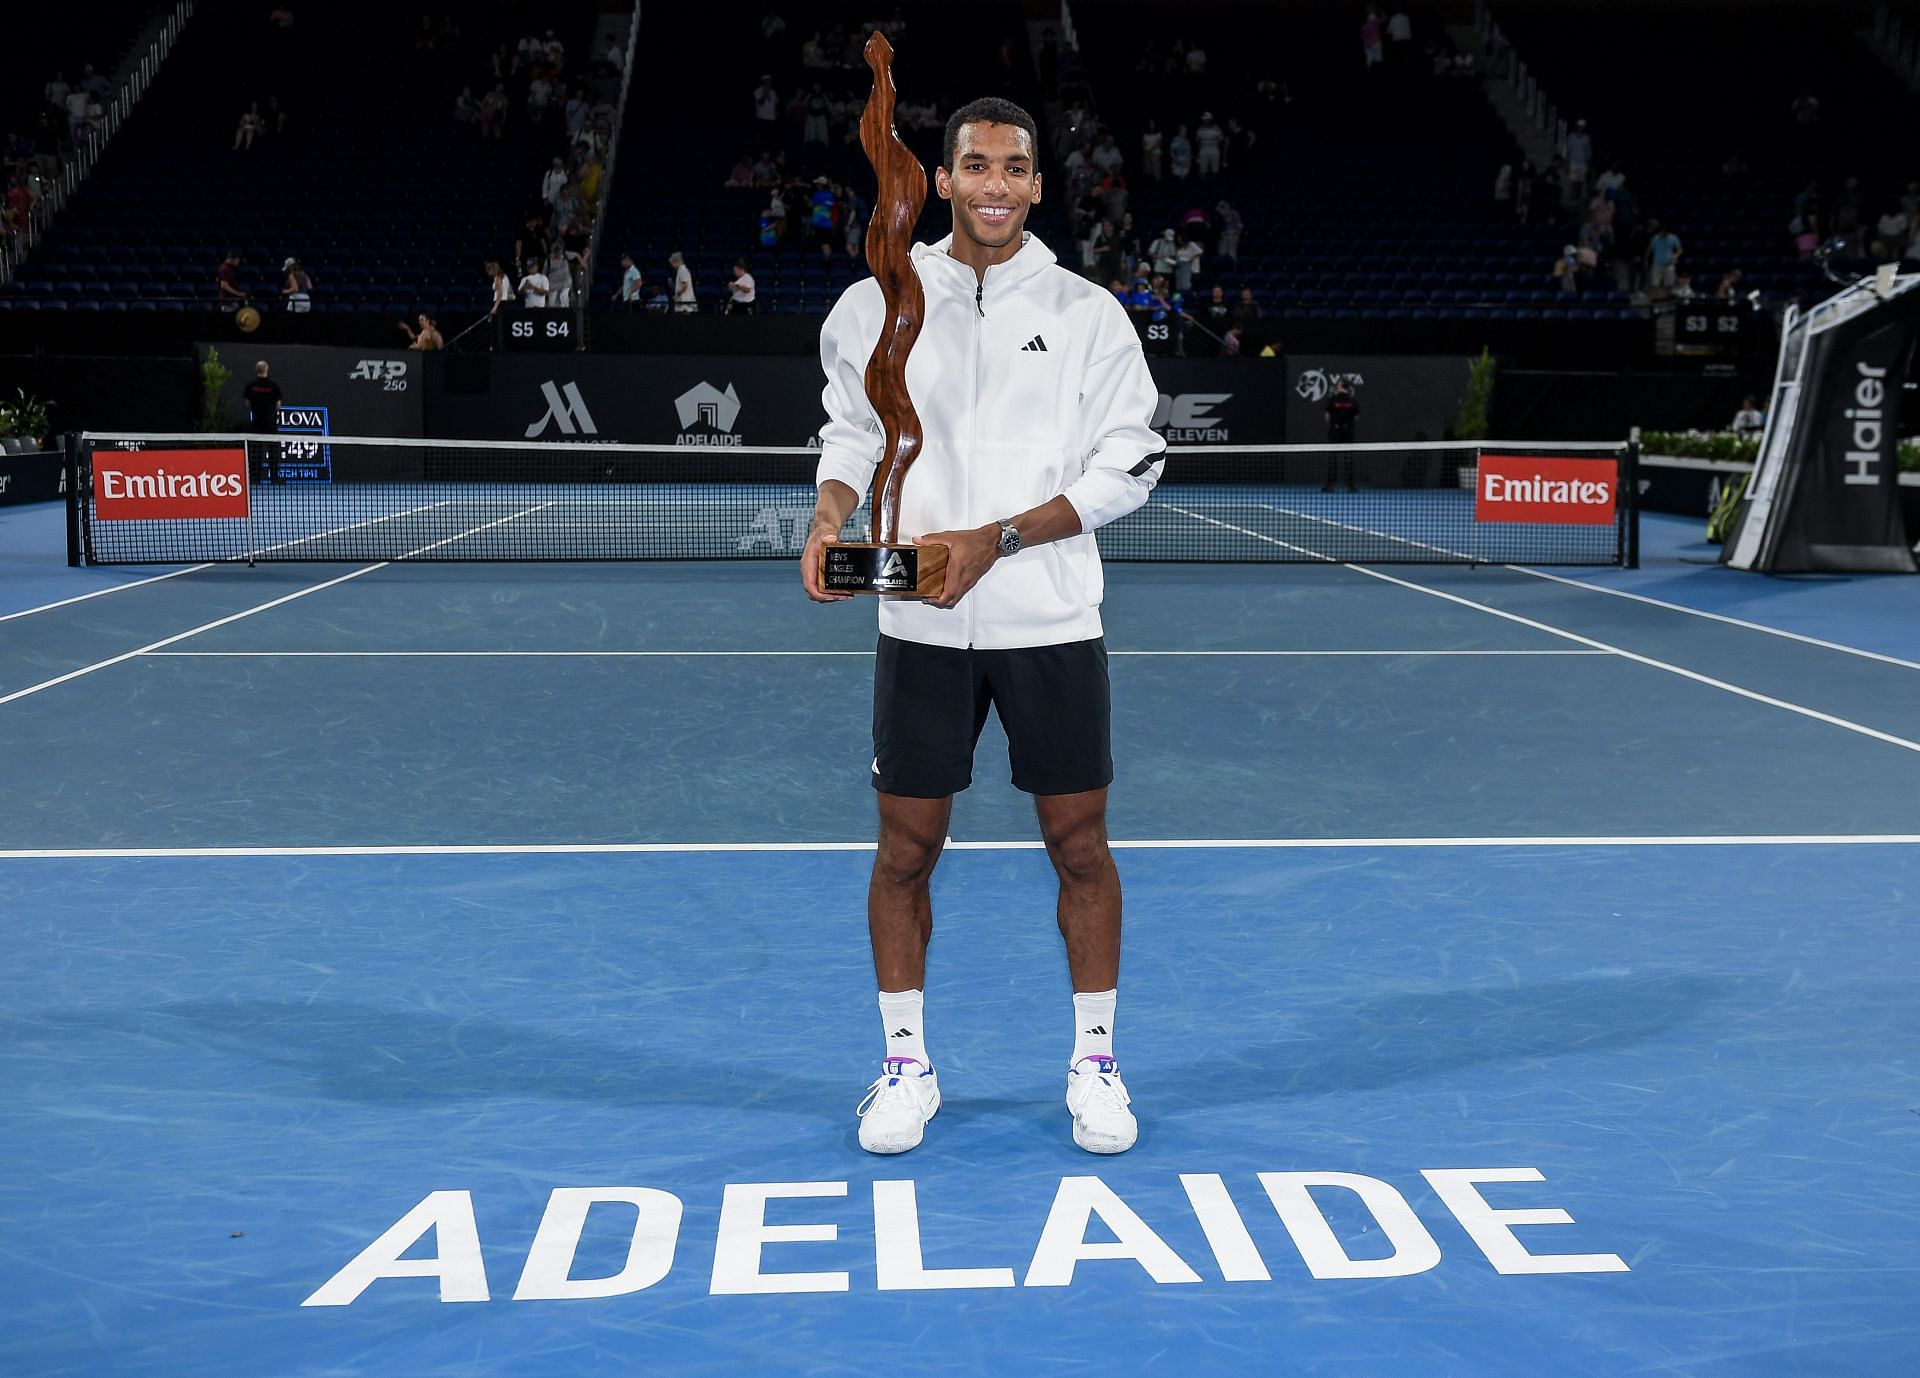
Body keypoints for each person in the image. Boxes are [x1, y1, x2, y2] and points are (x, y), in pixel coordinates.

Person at [802, 96, 1163, 1159]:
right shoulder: (877, 303)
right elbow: (851, 433)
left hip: (1050, 616)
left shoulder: (1089, 312)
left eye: (1015, 167)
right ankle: (905, 1065)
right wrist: (827, 517)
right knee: (905, 848)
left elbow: (1131, 465)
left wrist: (995, 540)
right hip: (917, 622)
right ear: (943, 179)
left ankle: (1095, 1062)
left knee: (1080, 845)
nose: (995, 184)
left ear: (1038, 185)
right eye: (975, 165)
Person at [243, 361, 284, 484]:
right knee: (274, 451)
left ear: (257, 370)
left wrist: (256, 411)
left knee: (256, 450)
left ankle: (255, 479)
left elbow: (247, 403)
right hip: (270, 421)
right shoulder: (273, 386)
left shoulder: (251, 386)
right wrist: (270, 413)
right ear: (267, 369)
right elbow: (278, 404)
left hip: (257, 421)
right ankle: (275, 478)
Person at [1323, 378, 1359, 491]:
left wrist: (1334, 424)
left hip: (1336, 431)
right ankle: (1350, 486)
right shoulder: (1353, 401)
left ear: (1341, 386)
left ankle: (1330, 485)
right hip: (1348, 431)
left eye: (1338, 385)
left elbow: (1327, 416)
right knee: (1348, 459)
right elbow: (1356, 417)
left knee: (1332, 459)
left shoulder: (1333, 400)